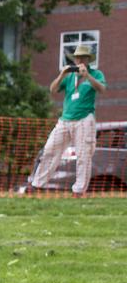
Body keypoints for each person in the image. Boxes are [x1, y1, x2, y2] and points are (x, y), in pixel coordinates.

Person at [29, 44, 106, 196]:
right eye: (77, 57)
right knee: (50, 150)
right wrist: (62, 74)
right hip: (65, 120)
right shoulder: (70, 76)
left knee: (84, 155)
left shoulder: (96, 74)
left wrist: (88, 76)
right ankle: (38, 185)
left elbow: (102, 89)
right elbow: (52, 89)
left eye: (83, 57)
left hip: (84, 119)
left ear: (88, 59)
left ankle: (79, 190)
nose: (79, 60)